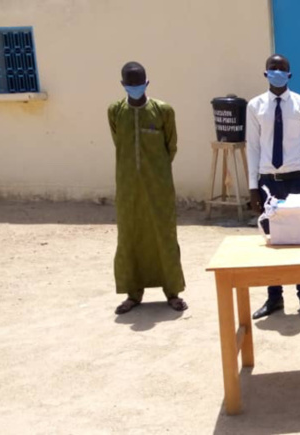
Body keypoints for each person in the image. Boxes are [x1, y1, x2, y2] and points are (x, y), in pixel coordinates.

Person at [110, 62, 188, 315]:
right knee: (129, 236)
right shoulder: (115, 112)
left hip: (159, 187)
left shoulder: (163, 111)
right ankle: (133, 294)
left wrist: (157, 172)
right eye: (130, 84)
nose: (135, 88)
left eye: (139, 83)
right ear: (123, 85)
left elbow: (171, 146)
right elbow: (118, 143)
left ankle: (172, 292)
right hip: (127, 187)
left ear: (147, 83)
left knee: (164, 235)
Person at [247, 54, 300, 320]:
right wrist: (253, 187)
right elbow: (252, 146)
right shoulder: (255, 106)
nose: (277, 71)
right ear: (265, 73)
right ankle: (274, 298)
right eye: (272, 68)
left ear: (290, 74)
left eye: (282, 68)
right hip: (268, 183)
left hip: (297, 180)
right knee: (272, 241)